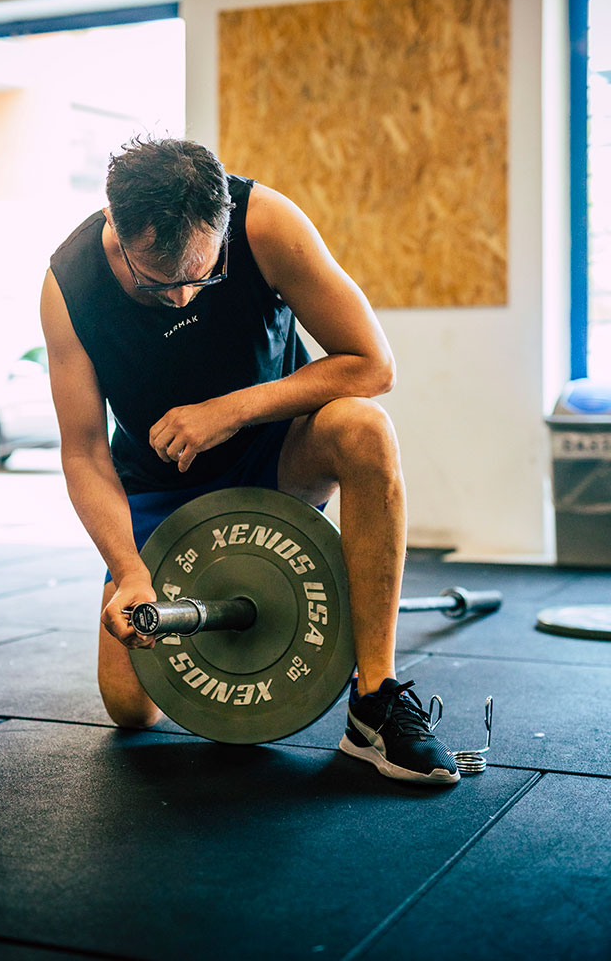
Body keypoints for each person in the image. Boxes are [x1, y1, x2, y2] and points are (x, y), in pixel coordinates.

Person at [40, 137, 460, 786]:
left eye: (199, 277)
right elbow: (83, 451)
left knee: (363, 427)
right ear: (116, 230)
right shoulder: (69, 286)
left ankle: (374, 700)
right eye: (159, 283)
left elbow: (372, 365)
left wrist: (230, 410)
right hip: (159, 484)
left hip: (275, 453)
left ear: (224, 228)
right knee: (131, 710)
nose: (182, 298)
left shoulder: (266, 223)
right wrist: (127, 570)